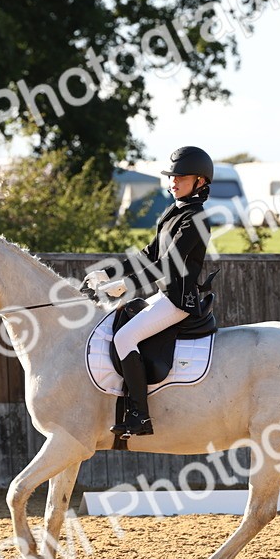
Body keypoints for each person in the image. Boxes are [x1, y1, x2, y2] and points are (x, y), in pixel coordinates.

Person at [85, 146, 214, 437]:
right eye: (172, 176)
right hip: (164, 295)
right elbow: (148, 254)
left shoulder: (196, 218)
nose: (173, 181)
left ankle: (139, 416)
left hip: (179, 300)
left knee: (125, 337)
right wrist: (107, 273)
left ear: (200, 182)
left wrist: (126, 285)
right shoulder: (174, 212)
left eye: (181, 177)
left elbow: (168, 264)